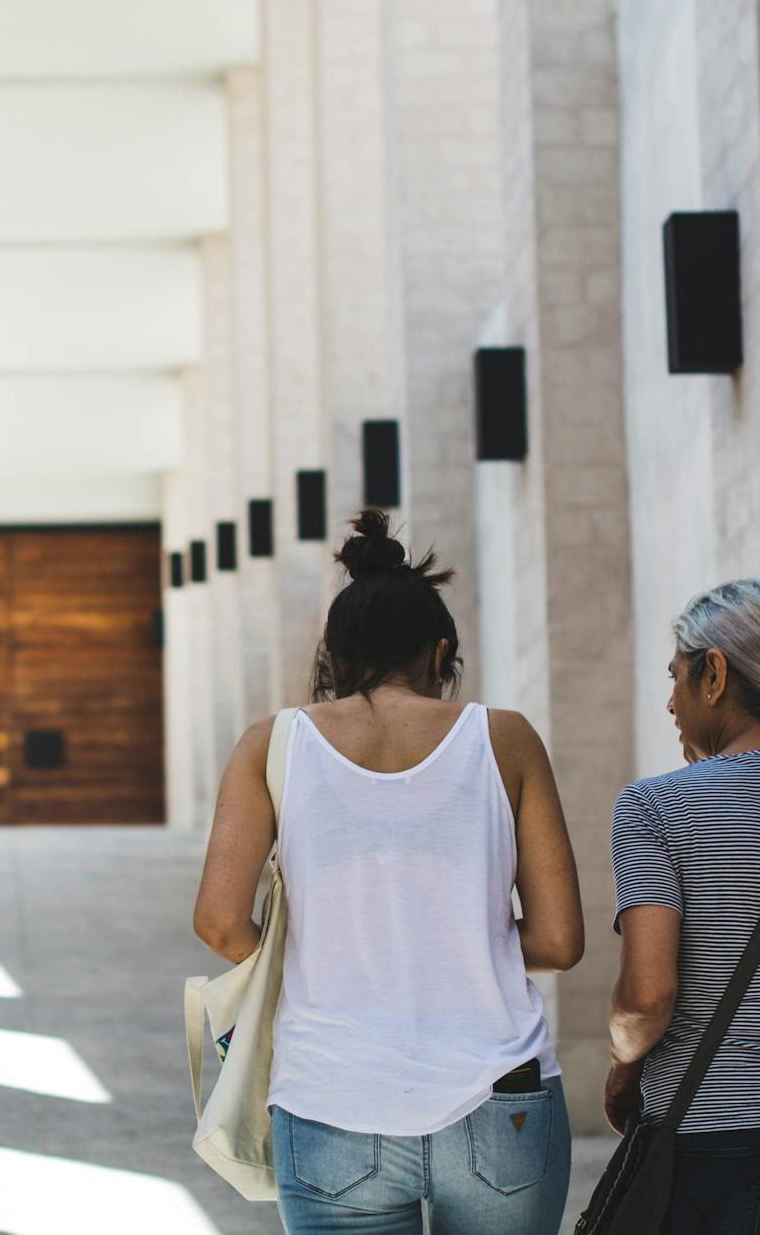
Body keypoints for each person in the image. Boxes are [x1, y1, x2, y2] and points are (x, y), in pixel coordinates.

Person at [192, 508, 584, 1234]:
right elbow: (560, 941)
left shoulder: (270, 746)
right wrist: (458, 942)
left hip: (332, 1097)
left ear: (333, 658)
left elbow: (218, 920)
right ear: (440, 654)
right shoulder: (506, 739)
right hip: (501, 1098)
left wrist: (324, 952)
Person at [607, 578, 760, 1233]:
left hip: (714, 1150)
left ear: (713, 673)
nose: (669, 702)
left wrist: (622, 1064)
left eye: (676, 677)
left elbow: (647, 995)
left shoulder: (656, 808)